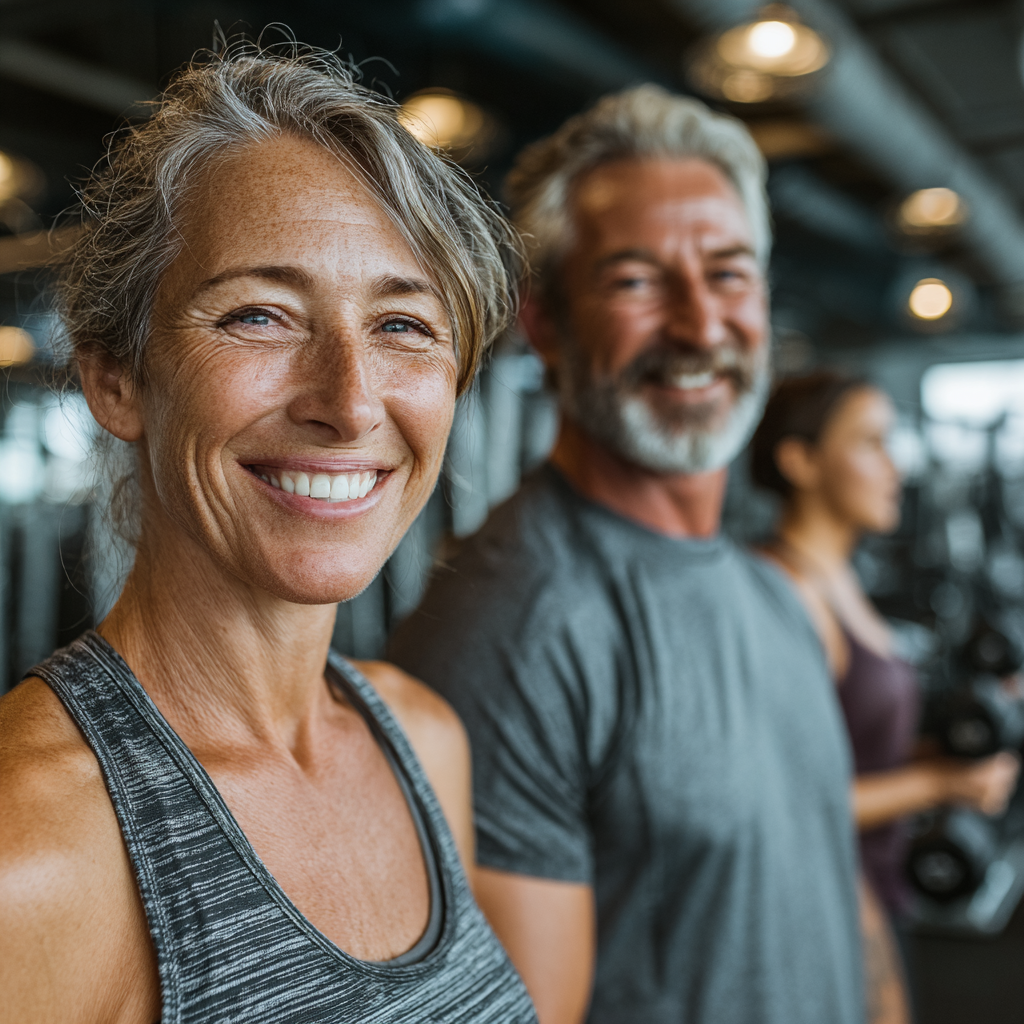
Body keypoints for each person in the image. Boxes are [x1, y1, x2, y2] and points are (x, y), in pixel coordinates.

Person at [0, 42, 537, 1024]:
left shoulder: (424, 742)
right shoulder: (29, 848)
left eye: (403, 326)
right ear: (116, 378)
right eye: (259, 315)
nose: (350, 402)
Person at [389, 85, 864, 1024]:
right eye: (637, 282)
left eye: (728, 274)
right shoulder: (508, 631)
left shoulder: (773, 594)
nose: (701, 327)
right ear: (545, 324)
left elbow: (834, 890)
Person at [752, 371, 1020, 1022]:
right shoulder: (784, 591)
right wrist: (943, 783)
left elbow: (849, 752)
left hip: (877, 888)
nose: (895, 467)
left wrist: (958, 746)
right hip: (823, 909)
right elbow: (781, 804)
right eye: (870, 443)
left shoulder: (837, 579)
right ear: (801, 461)